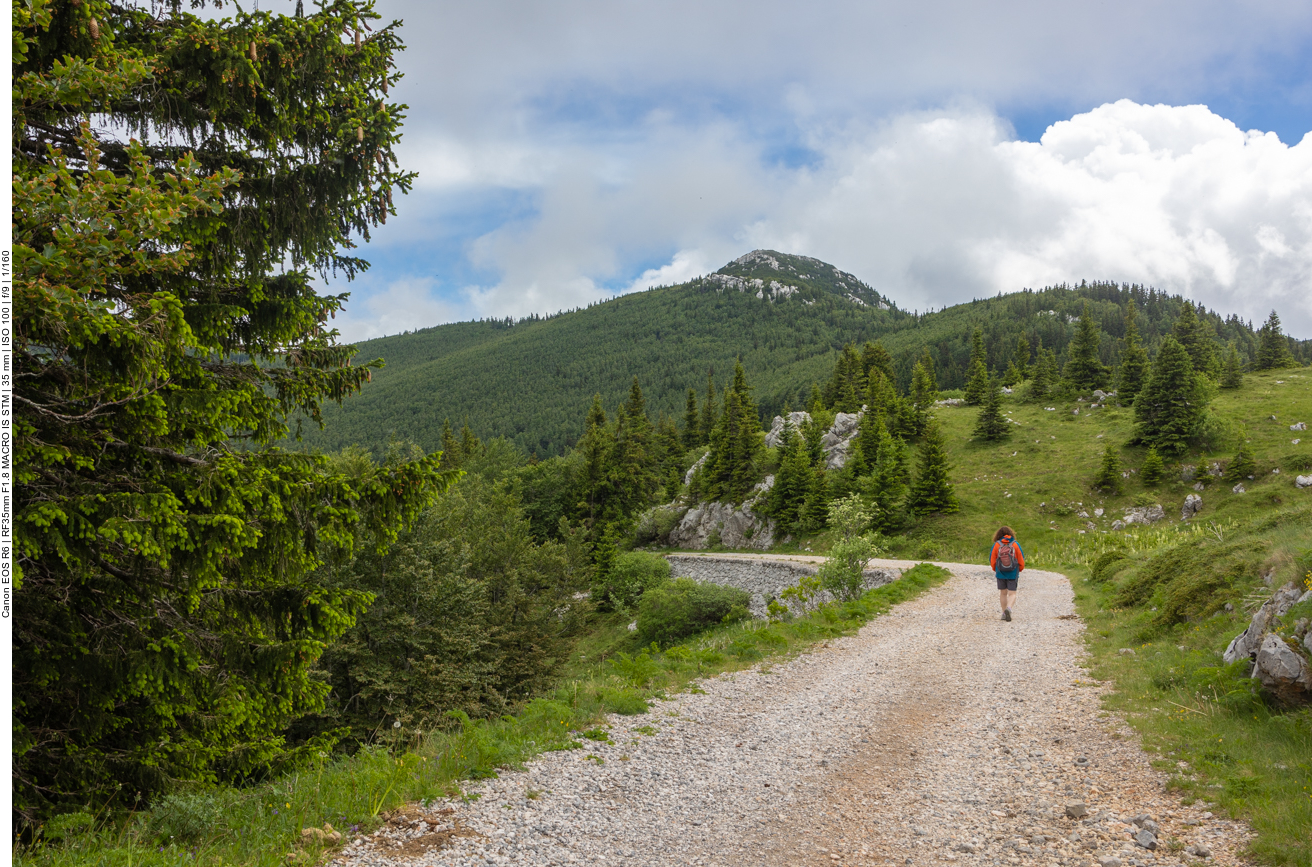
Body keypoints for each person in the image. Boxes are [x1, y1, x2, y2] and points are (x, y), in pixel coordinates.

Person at [990, 526, 1025, 621]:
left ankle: (1003, 613)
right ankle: (1009, 609)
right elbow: (1021, 559)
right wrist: (1020, 569)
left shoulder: (997, 545)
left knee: (1003, 593)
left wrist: (996, 569)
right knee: (1012, 593)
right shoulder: (1015, 544)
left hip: (1000, 572)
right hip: (1013, 572)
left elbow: (992, 559)